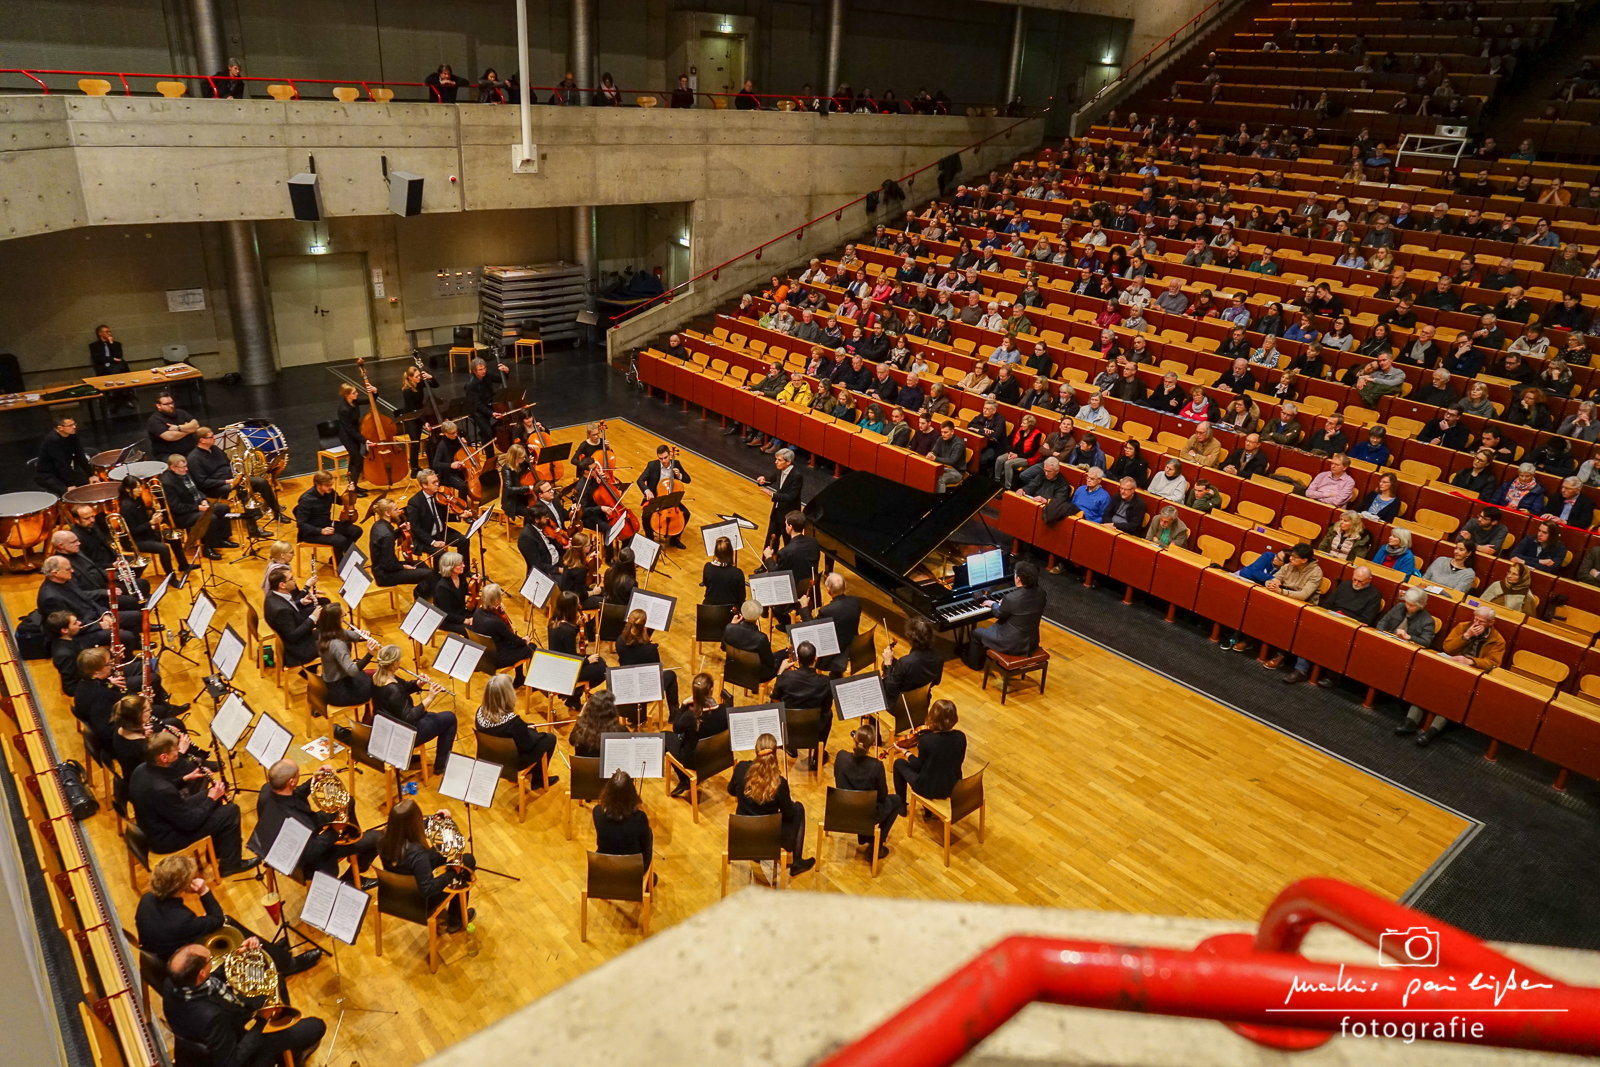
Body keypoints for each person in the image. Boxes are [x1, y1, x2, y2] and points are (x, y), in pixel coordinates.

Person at [162, 943, 327, 1067]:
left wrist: (239, 954)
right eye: (209, 959)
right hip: (241, 1046)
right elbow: (230, 1062)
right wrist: (262, 1021)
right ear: (201, 973)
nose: (212, 960)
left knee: (278, 980)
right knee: (317, 1027)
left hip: (226, 1018)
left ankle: (282, 1027)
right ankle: (288, 1056)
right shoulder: (212, 1018)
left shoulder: (172, 982)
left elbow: (211, 979)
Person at [129, 732, 257, 875]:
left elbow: (164, 786)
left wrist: (185, 779)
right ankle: (231, 864)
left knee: (208, 795)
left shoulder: (141, 770)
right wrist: (211, 799)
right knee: (231, 811)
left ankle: (218, 850)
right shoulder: (161, 789)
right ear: (163, 758)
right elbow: (189, 822)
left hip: (156, 823)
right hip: (166, 839)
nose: (179, 751)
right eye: (175, 750)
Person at [255, 758, 380, 885]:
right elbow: (313, 850)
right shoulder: (292, 820)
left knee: (348, 801)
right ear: (291, 781)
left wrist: (315, 779)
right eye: (298, 773)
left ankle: (351, 836)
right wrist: (335, 830)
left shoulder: (268, 791)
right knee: (378, 838)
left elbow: (295, 794)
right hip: (310, 860)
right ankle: (350, 878)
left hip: (293, 842)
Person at [1399, 606, 1504, 746]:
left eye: (1482, 622)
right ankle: (1411, 721)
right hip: (1451, 663)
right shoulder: (1463, 627)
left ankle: (1432, 730)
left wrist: (1470, 661)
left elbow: (1493, 663)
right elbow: (1447, 647)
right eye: (1475, 619)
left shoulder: (1497, 640)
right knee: (1428, 682)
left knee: (1451, 695)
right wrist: (1466, 636)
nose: (1477, 624)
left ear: (1491, 622)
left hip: (1472, 672)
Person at [378, 798, 476, 932]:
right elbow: (428, 889)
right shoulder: (417, 854)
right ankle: (456, 919)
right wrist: (453, 872)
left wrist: (433, 819)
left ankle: (456, 917)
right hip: (420, 901)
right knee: (468, 861)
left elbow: (407, 826)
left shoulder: (382, 837)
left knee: (442, 850)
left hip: (393, 893)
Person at [728, 733, 814, 878]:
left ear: (756, 751)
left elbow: (731, 790)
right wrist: (790, 801)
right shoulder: (779, 783)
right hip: (769, 839)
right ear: (775, 754)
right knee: (798, 808)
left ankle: (754, 853)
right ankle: (797, 862)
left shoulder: (741, 768)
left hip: (743, 834)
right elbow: (789, 814)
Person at [1280, 565, 1384, 684]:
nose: (1355, 583)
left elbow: (1366, 620)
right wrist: (1333, 615)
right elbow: (1327, 604)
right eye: (1354, 579)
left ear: (1369, 580)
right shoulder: (1344, 585)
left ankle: (1331, 676)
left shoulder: (1375, 595)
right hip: (1332, 618)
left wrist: (1345, 618)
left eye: (1360, 581)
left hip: (1350, 628)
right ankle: (1301, 670)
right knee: (1310, 631)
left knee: (1339, 642)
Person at [369, 645, 456, 774]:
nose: (400, 662)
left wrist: (417, 684)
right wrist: (430, 698)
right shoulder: (393, 690)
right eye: (398, 660)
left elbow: (403, 687)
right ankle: (440, 767)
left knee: (434, 716)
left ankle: (408, 757)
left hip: (387, 729)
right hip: (403, 735)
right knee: (450, 718)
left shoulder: (378, 678)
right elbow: (410, 717)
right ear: (394, 664)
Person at [475, 673, 557, 786]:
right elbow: (528, 745)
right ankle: (539, 780)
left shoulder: (480, 713)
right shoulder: (513, 723)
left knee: (530, 725)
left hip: (490, 756)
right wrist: (532, 731)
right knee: (549, 738)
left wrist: (526, 728)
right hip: (511, 762)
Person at [962, 560, 1044, 669]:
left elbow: (998, 613)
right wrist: (1007, 605)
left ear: (1018, 578)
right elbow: (1023, 607)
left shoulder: (1011, 598)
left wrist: (993, 604)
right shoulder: (1041, 593)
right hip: (1031, 642)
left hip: (1011, 644)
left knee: (976, 633)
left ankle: (973, 664)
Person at [833, 724, 898, 861]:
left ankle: (865, 836)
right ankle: (877, 845)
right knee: (896, 801)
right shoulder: (876, 766)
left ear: (854, 738)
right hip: (865, 815)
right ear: (873, 744)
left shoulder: (841, 757)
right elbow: (882, 796)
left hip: (840, 812)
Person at [891, 698, 965, 816]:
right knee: (936, 767)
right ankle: (928, 811)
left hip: (929, 789)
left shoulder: (927, 740)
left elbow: (918, 766)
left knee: (899, 764)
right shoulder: (960, 737)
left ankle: (901, 806)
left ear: (933, 717)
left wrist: (905, 751)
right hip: (953, 786)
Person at [669, 673, 731, 796]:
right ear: (711, 689)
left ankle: (684, 779)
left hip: (694, 760)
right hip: (718, 754)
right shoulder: (725, 710)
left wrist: (683, 705)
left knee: (664, 736)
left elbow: (676, 728)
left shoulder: (689, 717)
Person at [161, 452, 231, 561]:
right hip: (183, 515)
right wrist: (198, 508)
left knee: (223, 508)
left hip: (198, 505)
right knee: (210, 518)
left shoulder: (184, 473)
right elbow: (176, 507)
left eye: (186, 466)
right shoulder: (168, 483)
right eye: (182, 467)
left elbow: (197, 491)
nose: (186, 469)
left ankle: (220, 540)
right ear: (172, 468)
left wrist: (203, 500)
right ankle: (208, 548)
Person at [470, 582, 534, 686]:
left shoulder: (477, 612)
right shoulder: (495, 621)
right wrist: (524, 640)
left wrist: (500, 613)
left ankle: (520, 678)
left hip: (484, 653)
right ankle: (525, 680)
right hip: (497, 658)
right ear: (496, 601)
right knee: (530, 647)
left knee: (518, 643)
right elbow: (510, 637)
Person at [797, 571, 859, 675]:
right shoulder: (856, 601)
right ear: (845, 587)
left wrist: (804, 607)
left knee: (804, 651)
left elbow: (811, 627)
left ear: (829, 591)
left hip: (834, 653)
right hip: (852, 645)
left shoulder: (827, 611)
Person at [316, 604, 377, 710]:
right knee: (377, 689)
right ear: (337, 620)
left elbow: (349, 634)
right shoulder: (337, 645)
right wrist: (369, 654)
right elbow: (352, 671)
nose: (344, 617)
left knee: (374, 678)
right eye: (343, 615)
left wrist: (363, 635)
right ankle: (368, 721)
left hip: (331, 682)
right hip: (339, 691)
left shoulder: (325, 632)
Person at [293, 470, 361, 565]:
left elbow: (341, 501)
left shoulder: (329, 492)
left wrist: (349, 491)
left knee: (356, 531)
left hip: (327, 524)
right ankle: (340, 564)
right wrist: (320, 531)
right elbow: (301, 524)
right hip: (312, 532)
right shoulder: (306, 500)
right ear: (318, 485)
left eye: (331, 485)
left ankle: (338, 557)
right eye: (327, 485)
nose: (330, 487)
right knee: (340, 540)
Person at [637, 445, 691, 547]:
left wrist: (679, 475)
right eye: (660, 458)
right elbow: (640, 480)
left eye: (665, 458)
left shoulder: (676, 464)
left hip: (671, 499)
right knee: (646, 516)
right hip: (656, 497)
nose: (663, 461)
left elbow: (688, 479)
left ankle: (675, 539)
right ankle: (650, 539)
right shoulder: (652, 465)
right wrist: (647, 491)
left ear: (670, 455)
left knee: (686, 514)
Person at [881, 616, 942, 706]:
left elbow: (890, 689)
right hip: (923, 702)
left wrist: (887, 663)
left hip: (902, 706)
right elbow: (936, 681)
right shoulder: (939, 657)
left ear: (911, 639)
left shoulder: (905, 663)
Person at [35, 413, 92, 495]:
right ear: (60, 428)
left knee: (86, 483)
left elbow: (80, 456)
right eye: (70, 425)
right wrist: (69, 484)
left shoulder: (72, 435)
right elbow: (60, 463)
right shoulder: (53, 440)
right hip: (48, 474)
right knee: (69, 494)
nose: (74, 427)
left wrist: (91, 474)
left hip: (63, 470)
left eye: (74, 424)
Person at [334, 382, 375, 496]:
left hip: (354, 434)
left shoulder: (354, 402)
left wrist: (375, 391)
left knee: (353, 461)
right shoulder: (344, 409)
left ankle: (354, 486)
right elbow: (349, 429)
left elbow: (371, 400)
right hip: (347, 437)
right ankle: (353, 489)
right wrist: (364, 440)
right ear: (347, 395)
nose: (357, 394)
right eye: (354, 393)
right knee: (358, 461)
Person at [756, 449, 802, 549]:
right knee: (770, 541)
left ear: (788, 462)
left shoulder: (796, 476)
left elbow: (791, 496)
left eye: (779, 460)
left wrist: (773, 495)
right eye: (776, 459)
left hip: (789, 517)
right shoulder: (780, 470)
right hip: (777, 512)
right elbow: (770, 478)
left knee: (789, 544)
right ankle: (767, 564)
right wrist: (762, 481)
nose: (776, 462)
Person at [723, 599, 777, 682]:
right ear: (758, 616)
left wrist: (732, 625)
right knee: (783, 655)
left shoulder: (729, 628)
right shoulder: (761, 638)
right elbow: (770, 662)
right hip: (755, 674)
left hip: (734, 669)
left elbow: (723, 647)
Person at [146, 392, 200, 460]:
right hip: (169, 455)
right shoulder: (154, 420)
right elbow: (170, 436)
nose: (171, 406)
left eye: (172, 403)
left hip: (190, 451)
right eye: (167, 404)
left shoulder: (181, 412)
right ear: (158, 406)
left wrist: (178, 428)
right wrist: (189, 429)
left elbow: (196, 424)